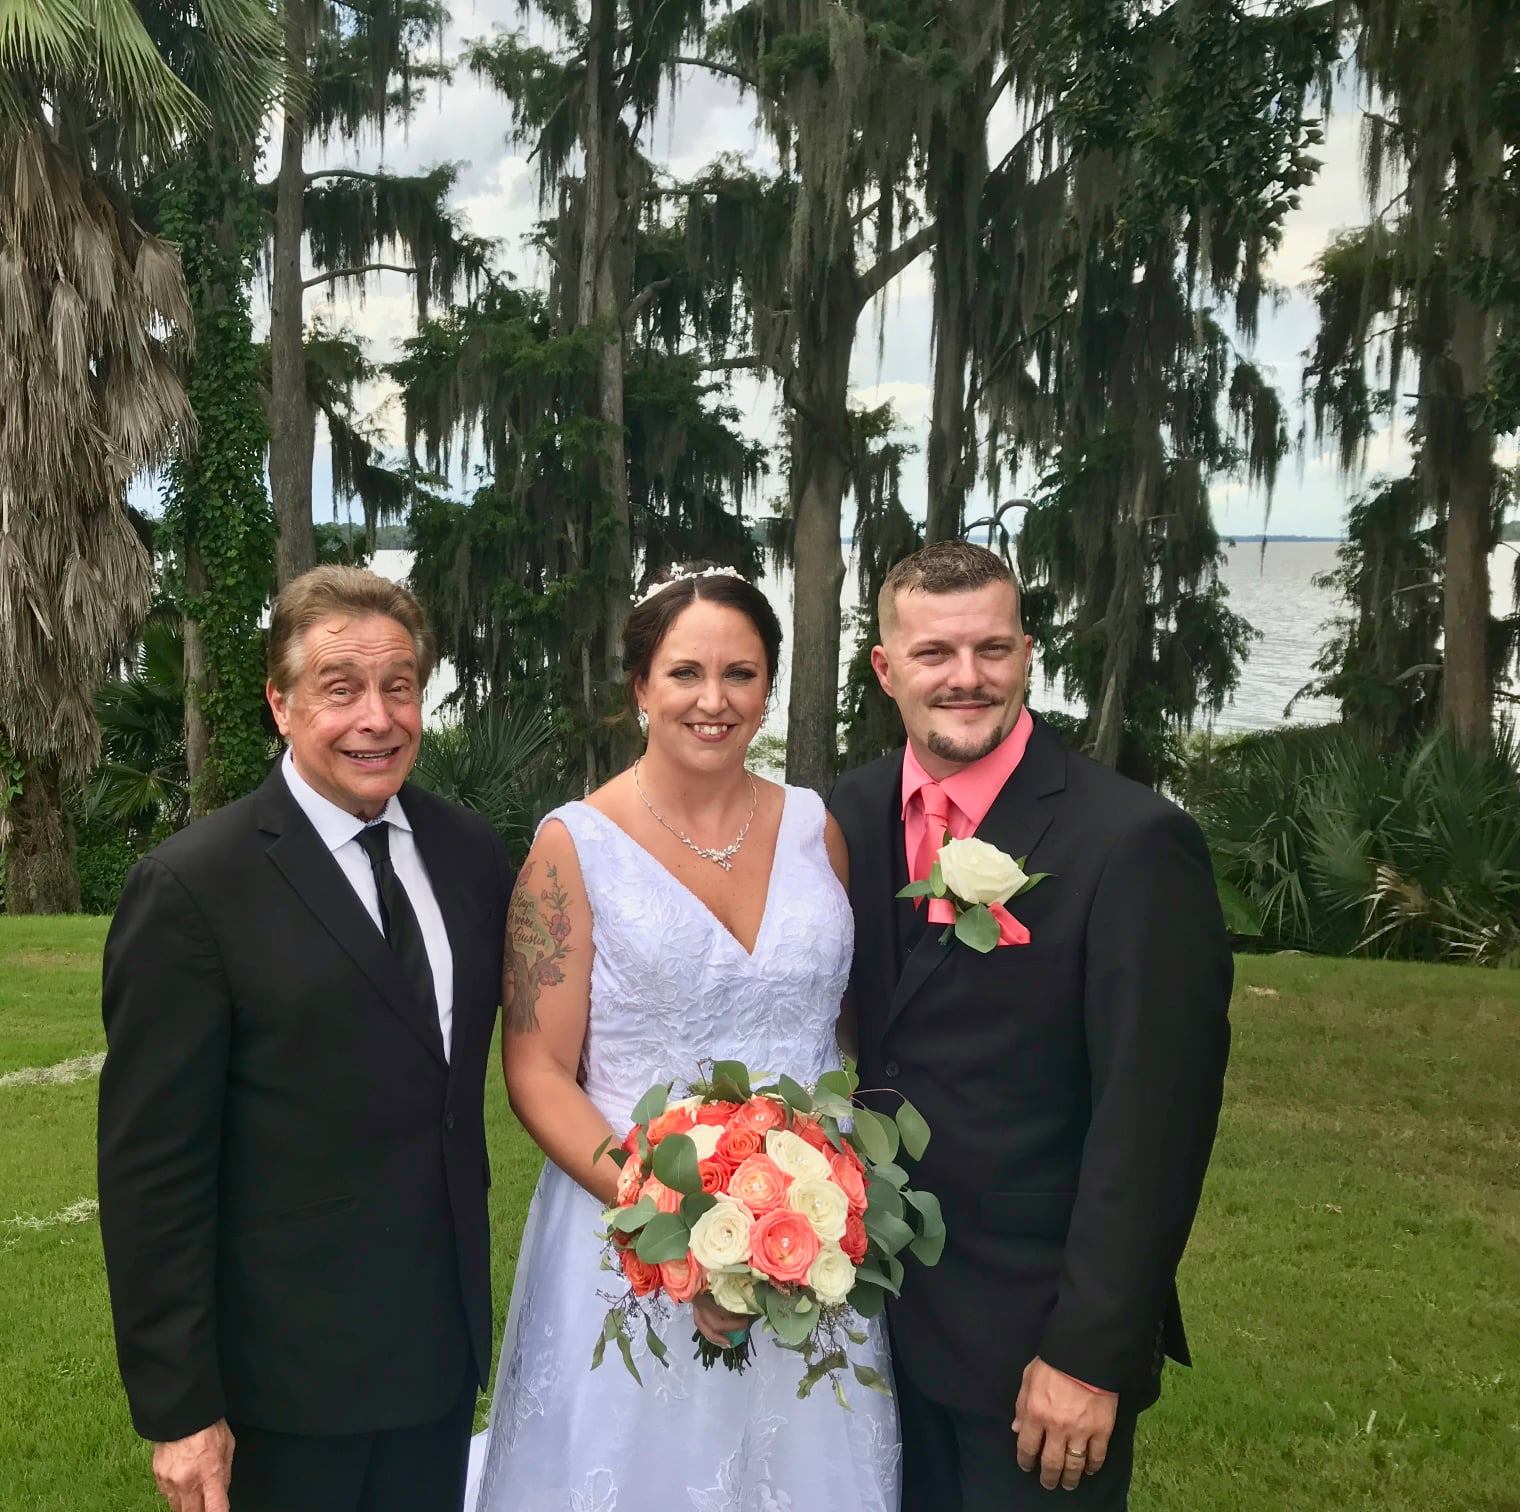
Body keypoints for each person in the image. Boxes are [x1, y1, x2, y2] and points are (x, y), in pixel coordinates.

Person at [469, 566, 901, 1512]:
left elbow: (839, 1032)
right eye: (685, 673)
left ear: (768, 689)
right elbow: (537, 1071)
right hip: (627, 1237)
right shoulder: (571, 846)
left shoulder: (814, 830)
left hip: (810, 1238)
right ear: (639, 687)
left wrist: (822, 1192)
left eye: (741, 675)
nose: (714, 701)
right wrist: (665, 1218)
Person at [97, 566, 513, 1512]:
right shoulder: (194, 890)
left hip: (438, 1359)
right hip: (279, 1389)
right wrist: (180, 1408)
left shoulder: (468, 854)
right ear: (280, 705)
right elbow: (152, 1171)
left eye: (399, 686)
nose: (378, 716)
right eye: (341, 689)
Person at [826, 541, 1231, 1509]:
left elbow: (1154, 1122)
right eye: (934, 654)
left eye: (993, 650)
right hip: (873, 1337)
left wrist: (1090, 1354)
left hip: (1034, 1349)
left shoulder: (1131, 843)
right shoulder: (845, 814)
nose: (967, 678)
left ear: (1028, 655)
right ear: (886, 670)